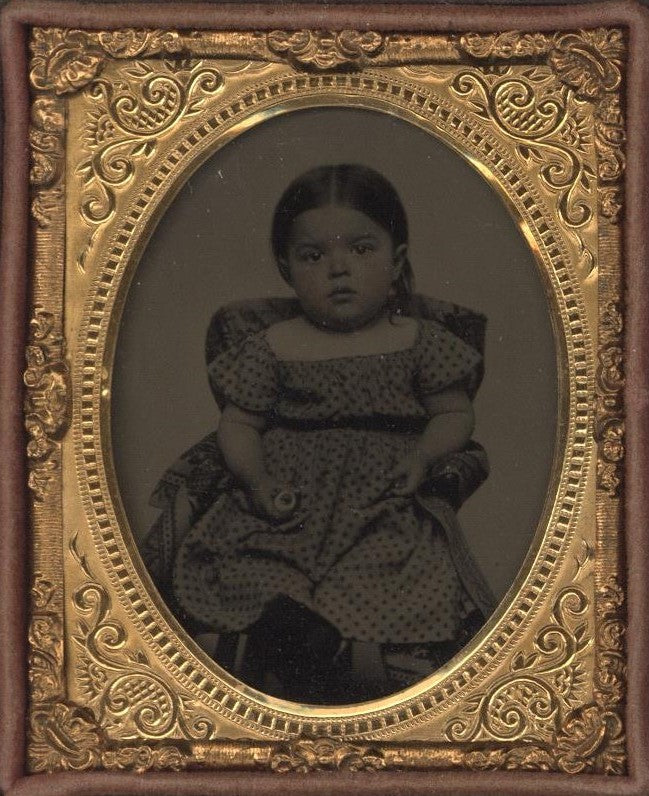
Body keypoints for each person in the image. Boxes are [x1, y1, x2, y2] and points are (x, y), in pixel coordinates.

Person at [143, 164, 494, 704]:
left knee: (389, 565)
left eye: (360, 250)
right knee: (254, 562)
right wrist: (257, 480)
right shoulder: (274, 343)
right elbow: (237, 424)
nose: (338, 270)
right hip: (288, 504)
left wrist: (423, 458)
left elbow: (454, 415)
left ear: (395, 261)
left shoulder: (418, 341)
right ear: (286, 269)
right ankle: (291, 635)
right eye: (313, 256)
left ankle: (330, 650)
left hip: (381, 501)